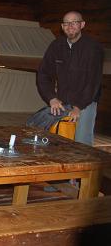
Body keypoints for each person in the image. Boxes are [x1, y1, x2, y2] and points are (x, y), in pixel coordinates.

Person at [37, 11, 104, 146]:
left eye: (74, 22)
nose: (70, 26)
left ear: (82, 25)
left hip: (85, 101)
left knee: (81, 142)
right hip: (62, 101)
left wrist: (78, 107)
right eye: (66, 23)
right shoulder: (56, 46)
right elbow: (43, 74)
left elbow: (93, 81)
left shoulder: (93, 48)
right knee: (54, 137)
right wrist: (52, 98)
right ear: (62, 27)